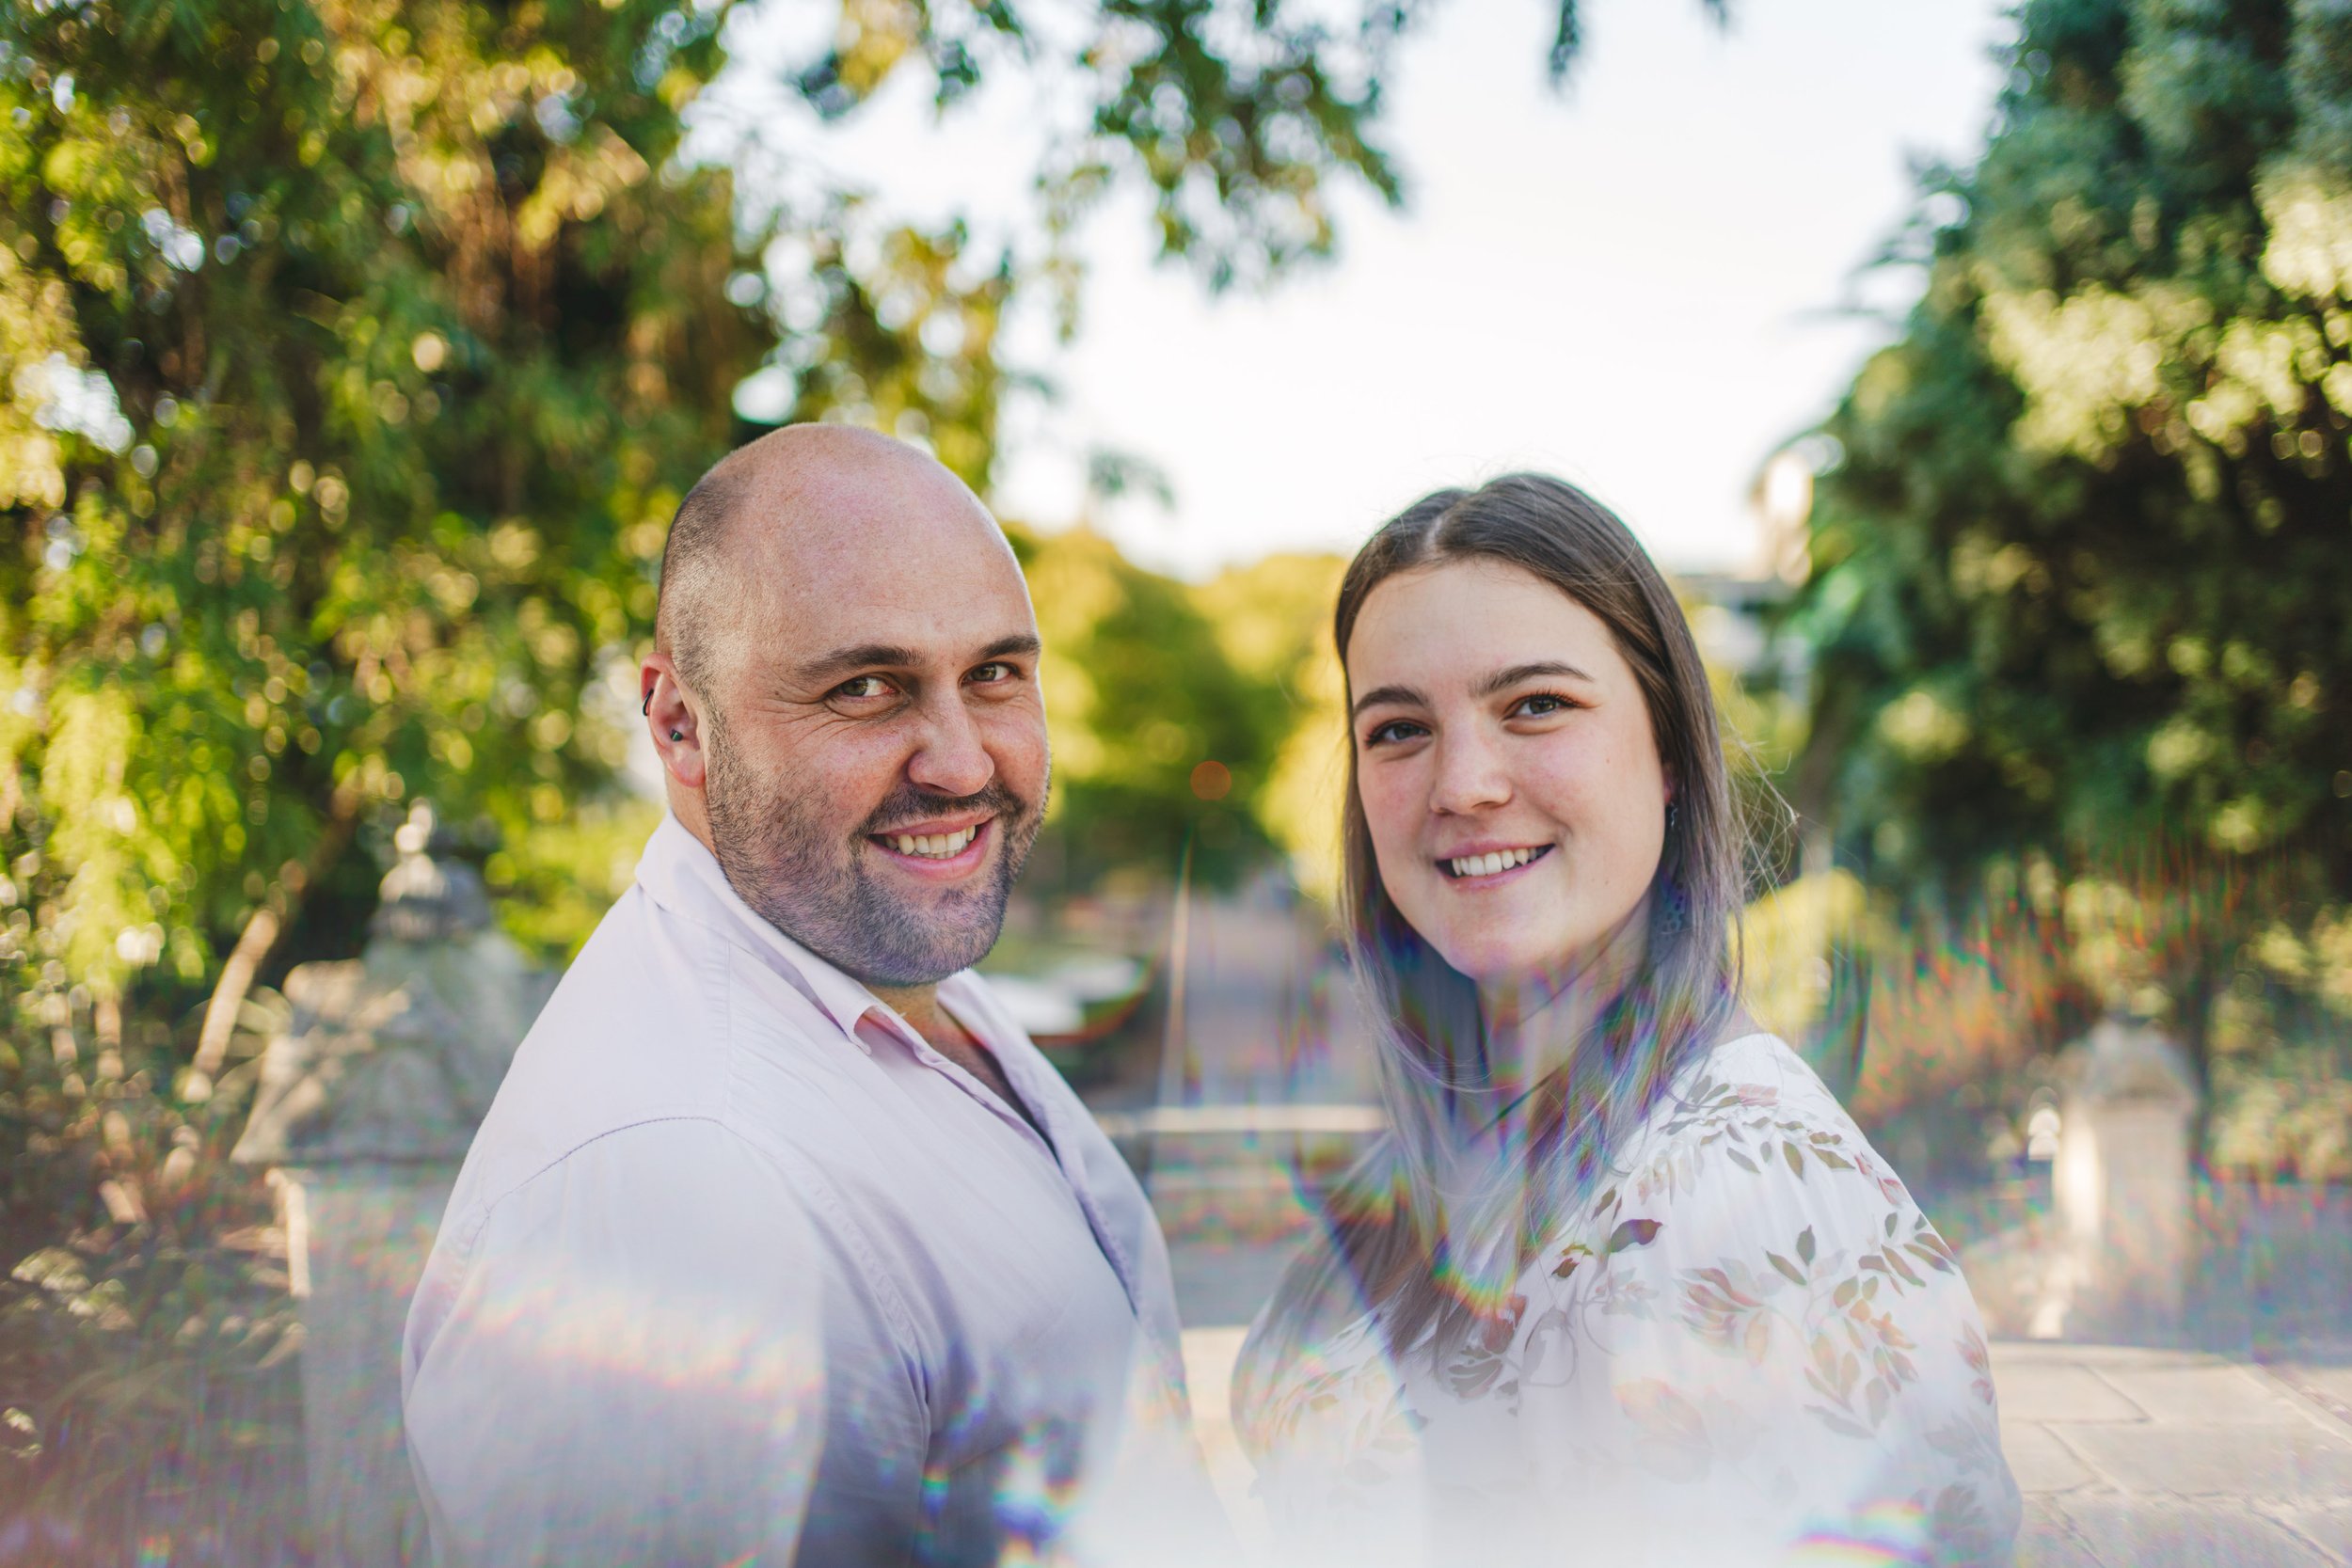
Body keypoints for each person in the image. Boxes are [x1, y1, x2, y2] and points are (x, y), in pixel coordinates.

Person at [402, 425, 1216, 1565]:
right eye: (866, 686)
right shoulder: (679, 1180)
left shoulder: (888, 968)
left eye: (993, 673)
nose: (963, 761)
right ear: (680, 725)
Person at [1231, 475, 2021, 1567]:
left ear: (1666, 757)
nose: (1462, 781)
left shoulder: (1740, 1194)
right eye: (1399, 727)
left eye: (1536, 705)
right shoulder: (1457, 1145)